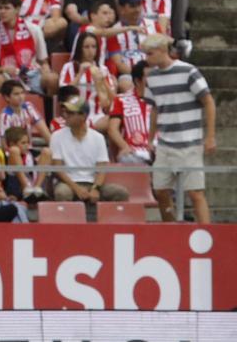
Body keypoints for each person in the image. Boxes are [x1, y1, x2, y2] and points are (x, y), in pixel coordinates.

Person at [142, 33, 214, 223]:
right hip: (165, 143)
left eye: (150, 54)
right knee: (160, 190)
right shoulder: (152, 77)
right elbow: (155, 108)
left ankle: (207, 232)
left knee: (196, 193)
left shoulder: (188, 71)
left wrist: (210, 136)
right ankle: (171, 229)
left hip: (189, 142)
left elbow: (208, 101)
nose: (146, 58)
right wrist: (150, 138)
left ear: (162, 51)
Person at [49, 96, 129, 209]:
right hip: (68, 183)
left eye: (70, 113)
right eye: (65, 112)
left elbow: (102, 168)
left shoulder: (98, 137)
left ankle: (107, 220)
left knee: (121, 193)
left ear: (83, 116)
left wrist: (96, 188)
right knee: (62, 193)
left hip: (92, 183)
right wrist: (76, 188)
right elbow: (58, 169)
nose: (65, 115)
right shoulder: (56, 136)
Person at [0, 0, 53, 94]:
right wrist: (3, 69)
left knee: (52, 79)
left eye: (6, 8)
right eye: (0, 8)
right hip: (8, 75)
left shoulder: (35, 29)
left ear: (17, 9)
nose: (2, 12)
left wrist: (46, 72)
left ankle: (48, 104)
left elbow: (44, 62)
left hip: (32, 73)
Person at [59, 31, 115, 120]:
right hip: (74, 115)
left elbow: (113, 99)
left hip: (98, 116)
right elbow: (64, 95)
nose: (90, 51)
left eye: (94, 47)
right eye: (86, 47)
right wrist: (79, 74)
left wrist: (103, 80)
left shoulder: (103, 69)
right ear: (79, 48)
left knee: (114, 121)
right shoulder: (69, 67)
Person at [106, 65, 153, 165]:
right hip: (134, 153)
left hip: (160, 151)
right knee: (127, 160)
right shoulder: (121, 100)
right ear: (137, 81)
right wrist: (124, 146)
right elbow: (112, 129)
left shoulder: (161, 99)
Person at [0, 78, 53, 142]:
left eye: (22, 93)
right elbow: (4, 142)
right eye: (16, 94)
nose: (21, 97)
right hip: (13, 147)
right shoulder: (5, 116)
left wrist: (53, 145)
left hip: (27, 146)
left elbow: (44, 130)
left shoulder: (29, 107)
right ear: (7, 97)